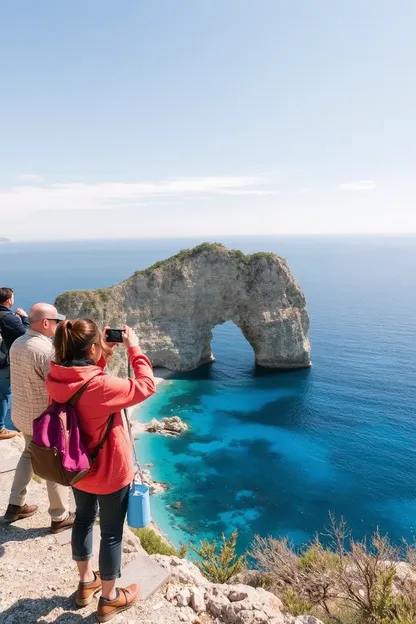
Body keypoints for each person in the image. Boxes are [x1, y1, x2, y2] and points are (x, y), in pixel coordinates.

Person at [46, 319, 156, 623]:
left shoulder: (55, 376)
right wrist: (134, 348)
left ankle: (85, 584)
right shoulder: (102, 386)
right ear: (91, 347)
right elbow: (146, 386)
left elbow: (83, 386)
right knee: (111, 535)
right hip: (109, 473)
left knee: (82, 519)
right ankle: (109, 599)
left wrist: (103, 354)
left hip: (78, 469)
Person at [4, 303, 75, 533]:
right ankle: (59, 516)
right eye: (55, 322)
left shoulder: (17, 343)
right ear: (46, 323)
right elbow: (58, 388)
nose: (56, 326)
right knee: (54, 463)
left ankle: (15, 505)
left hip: (23, 415)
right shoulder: (47, 352)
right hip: (43, 419)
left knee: (28, 454)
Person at [0, 287, 29, 440]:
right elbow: (26, 335)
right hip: (3, 364)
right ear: (9, 300)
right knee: (4, 393)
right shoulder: (8, 317)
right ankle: (0, 429)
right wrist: (24, 318)